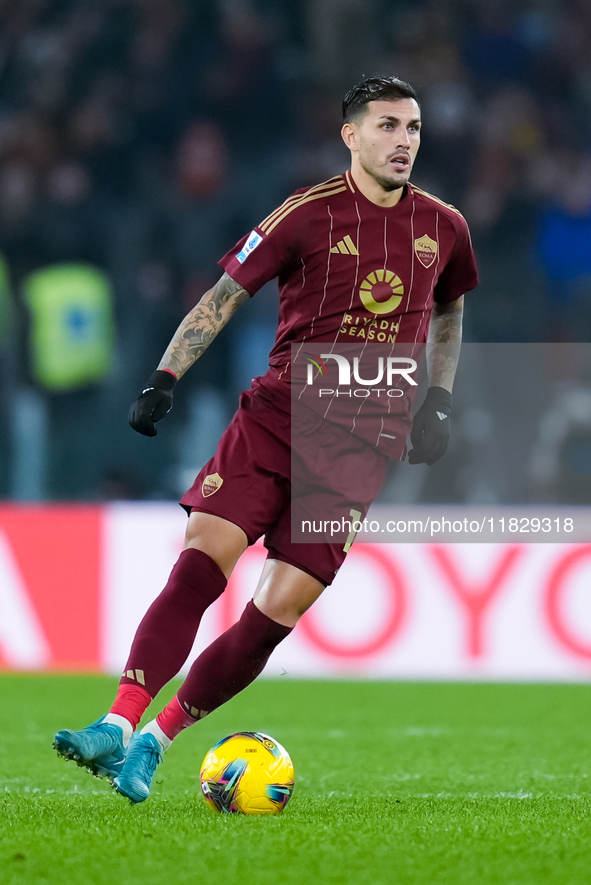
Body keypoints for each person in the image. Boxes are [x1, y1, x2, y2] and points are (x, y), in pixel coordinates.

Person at [53, 76, 478, 804]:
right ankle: (119, 722)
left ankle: (156, 743)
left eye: (411, 128)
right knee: (199, 567)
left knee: (271, 616)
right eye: (386, 126)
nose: (403, 140)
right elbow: (221, 298)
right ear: (350, 135)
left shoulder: (444, 226)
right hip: (278, 418)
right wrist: (165, 374)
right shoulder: (304, 215)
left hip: (358, 448)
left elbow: (449, 310)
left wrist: (438, 398)